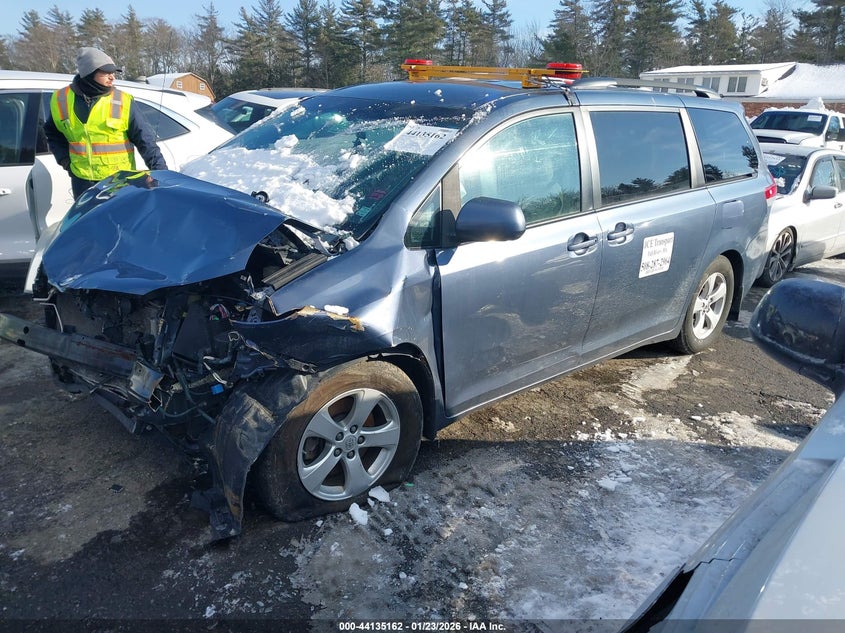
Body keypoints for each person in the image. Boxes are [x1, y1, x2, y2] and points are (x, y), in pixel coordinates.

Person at [44, 47, 168, 199]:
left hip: (118, 182)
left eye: (113, 73)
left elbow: (145, 140)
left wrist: (160, 174)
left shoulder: (122, 101)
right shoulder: (61, 99)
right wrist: (65, 162)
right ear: (89, 73)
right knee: (88, 222)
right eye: (106, 73)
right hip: (82, 183)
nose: (112, 77)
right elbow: (52, 133)